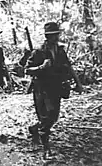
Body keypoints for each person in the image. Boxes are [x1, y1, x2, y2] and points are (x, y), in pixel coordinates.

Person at [25, 22, 83, 159]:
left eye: (57, 34)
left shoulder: (61, 50)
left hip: (56, 87)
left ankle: (35, 129)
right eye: (53, 35)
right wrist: (41, 68)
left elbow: (69, 67)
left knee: (53, 117)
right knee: (46, 116)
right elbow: (27, 70)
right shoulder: (39, 51)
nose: (56, 37)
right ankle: (46, 150)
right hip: (41, 88)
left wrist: (78, 83)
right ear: (47, 36)